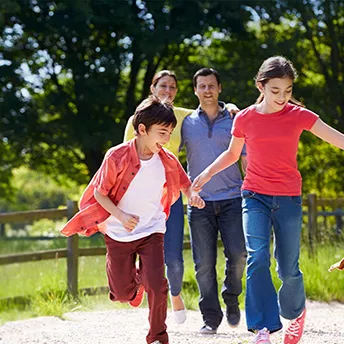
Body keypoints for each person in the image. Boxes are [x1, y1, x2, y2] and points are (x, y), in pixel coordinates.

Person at [192, 56, 344, 344]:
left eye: (287, 91)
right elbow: (233, 155)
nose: (282, 98)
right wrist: (206, 174)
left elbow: (338, 139)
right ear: (261, 86)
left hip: (288, 197)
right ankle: (262, 328)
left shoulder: (299, 115)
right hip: (254, 196)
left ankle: (295, 313)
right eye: (275, 91)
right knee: (257, 256)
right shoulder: (245, 118)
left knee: (288, 268)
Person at [61, 96, 205, 344]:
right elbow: (99, 193)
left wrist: (193, 195)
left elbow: (185, 183)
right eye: (161, 132)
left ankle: (158, 335)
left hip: (152, 230)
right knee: (121, 293)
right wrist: (120, 215)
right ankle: (134, 285)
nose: (166, 139)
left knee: (158, 286)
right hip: (118, 232)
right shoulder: (116, 156)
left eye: (169, 133)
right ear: (142, 130)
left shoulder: (167, 159)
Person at [124, 70, 239, 324]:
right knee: (137, 251)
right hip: (141, 198)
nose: (167, 91)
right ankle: (139, 285)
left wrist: (230, 106)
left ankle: (174, 295)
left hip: (172, 197)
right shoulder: (137, 120)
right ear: (153, 88)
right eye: (162, 86)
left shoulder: (185, 117)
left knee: (175, 261)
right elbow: (125, 157)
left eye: (172, 87)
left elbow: (210, 109)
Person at [180, 67, 247, 335]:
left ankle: (231, 297)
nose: (207, 90)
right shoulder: (186, 123)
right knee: (204, 264)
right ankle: (210, 317)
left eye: (211, 85)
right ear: (195, 90)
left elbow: (245, 156)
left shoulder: (234, 118)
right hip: (199, 203)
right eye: (202, 86)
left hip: (233, 197)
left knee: (239, 255)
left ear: (219, 88)